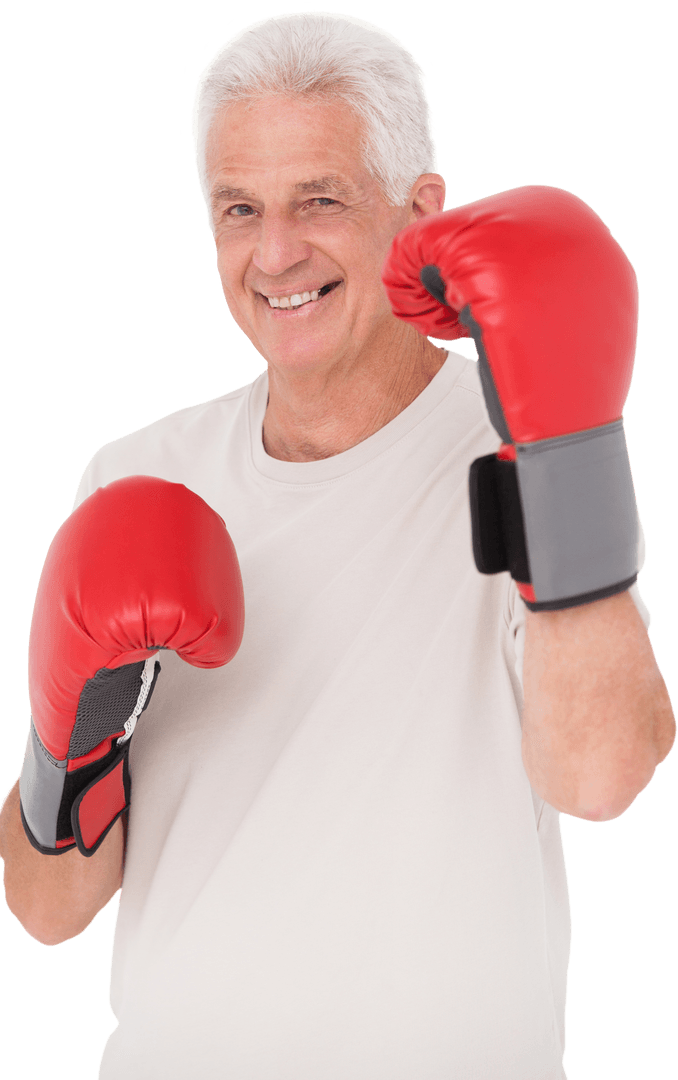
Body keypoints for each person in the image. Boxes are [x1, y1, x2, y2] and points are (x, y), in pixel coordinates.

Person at [0, 11, 674, 1078]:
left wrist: (569, 454)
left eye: (320, 200)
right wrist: (65, 751)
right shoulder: (135, 475)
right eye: (240, 209)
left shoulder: (522, 440)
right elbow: (47, 914)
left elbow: (602, 778)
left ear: (421, 212)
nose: (276, 254)